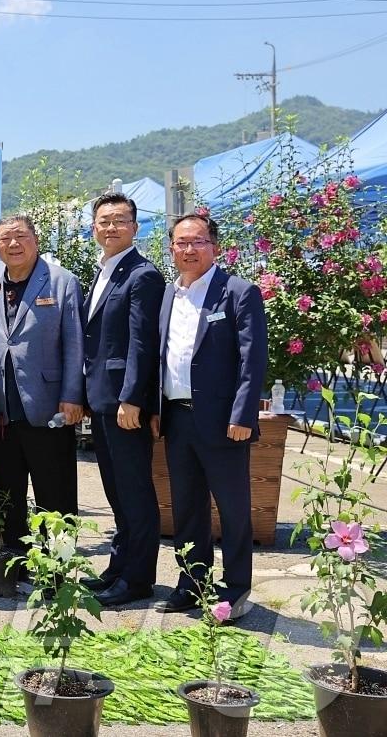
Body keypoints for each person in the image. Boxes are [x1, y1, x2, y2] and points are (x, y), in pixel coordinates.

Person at [152, 213, 266, 619]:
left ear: (214, 247)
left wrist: (243, 414)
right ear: (171, 249)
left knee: (232, 508)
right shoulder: (169, 294)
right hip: (177, 418)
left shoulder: (238, 292)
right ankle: (192, 581)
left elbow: (253, 360)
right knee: (187, 507)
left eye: (198, 241)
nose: (189, 250)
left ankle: (235, 588)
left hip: (224, 422)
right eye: (181, 243)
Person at [81, 192, 165, 607]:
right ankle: (118, 568)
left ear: (134, 227)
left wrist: (133, 399)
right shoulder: (103, 271)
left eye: (119, 220)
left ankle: (138, 579)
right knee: (116, 491)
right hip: (101, 400)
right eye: (104, 221)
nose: (110, 227)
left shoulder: (142, 275)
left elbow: (142, 342)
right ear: (93, 227)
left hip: (123, 404)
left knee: (135, 492)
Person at [0, 215, 85, 557]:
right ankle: (15, 562)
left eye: (21, 236)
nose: (13, 244)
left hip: (49, 408)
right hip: (2, 411)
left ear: (36, 240)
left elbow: (75, 344)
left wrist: (72, 395)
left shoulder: (61, 281)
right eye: (5, 238)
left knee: (55, 495)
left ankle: (58, 566)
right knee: (7, 495)